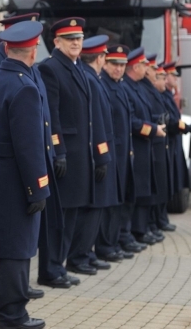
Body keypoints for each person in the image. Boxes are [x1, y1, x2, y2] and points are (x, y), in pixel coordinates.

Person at [0, 21, 48, 329]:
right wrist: (38, 189)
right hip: (16, 179)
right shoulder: (24, 88)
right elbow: (29, 147)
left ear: (6, 48)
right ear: (32, 52)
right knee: (18, 248)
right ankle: (14, 315)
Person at [38, 18, 108, 282]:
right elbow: (51, 115)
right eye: (70, 39)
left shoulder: (77, 68)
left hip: (82, 156)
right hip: (66, 155)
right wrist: (58, 150)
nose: (76, 43)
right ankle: (50, 269)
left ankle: (59, 266)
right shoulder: (52, 69)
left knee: (72, 215)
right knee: (59, 219)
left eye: (78, 38)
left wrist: (99, 154)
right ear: (56, 42)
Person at [79, 36, 120, 265]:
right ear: (101, 57)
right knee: (94, 208)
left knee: (99, 206)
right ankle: (83, 254)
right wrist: (102, 153)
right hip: (98, 151)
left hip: (102, 149)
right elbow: (97, 122)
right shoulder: (91, 80)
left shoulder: (93, 79)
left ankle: (87, 253)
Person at [101, 46, 142, 257]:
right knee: (110, 203)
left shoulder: (120, 86)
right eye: (114, 64)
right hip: (112, 153)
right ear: (105, 63)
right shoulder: (105, 86)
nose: (118, 69)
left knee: (121, 200)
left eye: (122, 65)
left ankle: (115, 242)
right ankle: (106, 245)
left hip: (124, 152)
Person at [121, 48, 163, 245]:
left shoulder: (136, 86)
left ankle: (140, 229)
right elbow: (132, 121)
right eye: (144, 65)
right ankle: (134, 231)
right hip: (135, 146)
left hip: (143, 147)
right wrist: (152, 129)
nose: (147, 69)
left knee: (144, 189)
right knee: (136, 192)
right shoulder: (128, 87)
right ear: (135, 67)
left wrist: (156, 124)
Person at [137, 55, 168, 243]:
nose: (157, 74)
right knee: (143, 191)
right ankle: (142, 228)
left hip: (153, 142)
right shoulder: (140, 88)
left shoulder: (143, 88)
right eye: (153, 69)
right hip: (145, 142)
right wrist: (153, 127)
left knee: (154, 188)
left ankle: (150, 225)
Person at [158, 63, 190, 231]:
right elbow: (170, 121)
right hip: (167, 142)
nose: (175, 79)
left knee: (170, 181)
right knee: (165, 182)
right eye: (172, 76)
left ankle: (162, 218)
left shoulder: (169, 94)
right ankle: (160, 219)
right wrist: (186, 127)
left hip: (173, 142)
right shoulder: (163, 95)